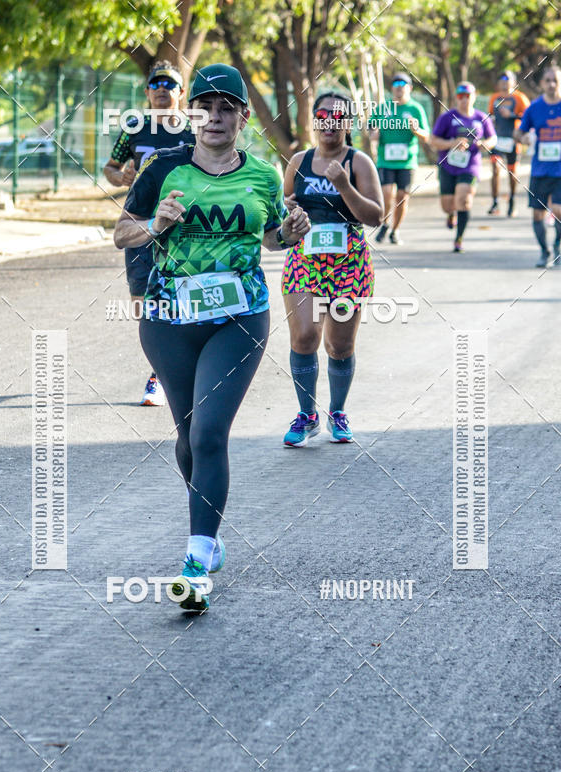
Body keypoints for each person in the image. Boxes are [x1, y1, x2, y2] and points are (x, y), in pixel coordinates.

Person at [114, 64, 309, 611]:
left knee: (209, 433)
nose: (216, 117)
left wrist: (289, 233)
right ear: (192, 114)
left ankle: (196, 560)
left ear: (243, 117)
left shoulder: (265, 176)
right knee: (186, 437)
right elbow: (120, 233)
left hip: (239, 318)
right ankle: (210, 527)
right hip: (167, 319)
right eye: (206, 107)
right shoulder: (163, 168)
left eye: (228, 108)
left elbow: (272, 237)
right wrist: (157, 224)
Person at [280, 92, 383, 446]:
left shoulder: (359, 162)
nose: (329, 122)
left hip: (347, 265)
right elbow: (284, 205)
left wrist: (343, 185)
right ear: (314, 120)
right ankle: (306, 415)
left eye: (337, 116)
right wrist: (288, 210)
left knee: (339, 346)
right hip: (304, 261)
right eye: (322, 115)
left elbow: (375, 216)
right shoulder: (299, 161)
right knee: (304, 336)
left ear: (347, 123)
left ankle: (337, 411)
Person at [103, 61, 194, 406]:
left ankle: (161, 376)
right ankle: (161, 367)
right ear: (146, 91)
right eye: (155, 83)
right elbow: (111, 167)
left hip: (182, 226)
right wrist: (120, 177)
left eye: (169, 83)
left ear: (181, 93)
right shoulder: (134, 127)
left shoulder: (193, 129)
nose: (161, 88)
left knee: (182, 300)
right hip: (141, 222)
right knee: (143, 306)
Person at [431, 82, 497, 252]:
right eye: (461, 96)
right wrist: (451, 143)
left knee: (464, 200)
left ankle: (458, 239)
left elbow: (493, 139)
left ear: (474, 97)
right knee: (448, 204)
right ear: (456, 98)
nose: (464, 100)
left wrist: (485, 144)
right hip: (448, 165)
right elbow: (434, 140)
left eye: (468, 96)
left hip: (470, 165)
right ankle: (450, 214)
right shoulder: (447, 117)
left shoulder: (482, 117)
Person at [371, 72, 430, 244]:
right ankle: (385, 223)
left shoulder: (416, 109)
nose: (399, 87)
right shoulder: (383, 108)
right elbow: (371, 129)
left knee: (403, 196)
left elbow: (426, 135)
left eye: (402, 84)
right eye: (395, 84)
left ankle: (395, 230)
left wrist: (416, 130)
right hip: (385, 159)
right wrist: (373, 134)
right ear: (392, 89)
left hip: (407, 161)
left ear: (409, 88)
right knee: (387, 193)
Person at [514, 65, 561, 267]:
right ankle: (545, 250)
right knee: (537, 214)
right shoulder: (534, 108)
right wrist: (523, 138)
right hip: (540, 170)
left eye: (555, 81)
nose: (551, 84)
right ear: (542, 84)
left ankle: (558, 245)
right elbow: (519, 133)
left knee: (559, 210)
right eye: (548, 80)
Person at [487, 71, 529, 217]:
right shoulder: (494, 98)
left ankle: (511, 200)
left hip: (513, 140)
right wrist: (490, 120)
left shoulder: (520, 98)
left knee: (512, 173)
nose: (504, 82)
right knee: (495, 169)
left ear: (513, 82)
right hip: (497, 139)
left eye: (507, 79)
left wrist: (512, 116)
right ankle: (495, 202)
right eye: (501, 79)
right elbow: (490, 115)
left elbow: (528, 118)